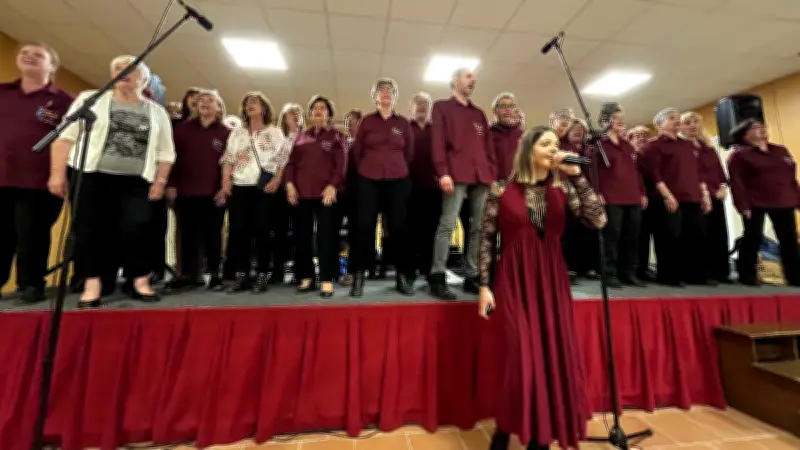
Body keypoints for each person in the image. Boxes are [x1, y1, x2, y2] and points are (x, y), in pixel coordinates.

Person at [478, 126, 606, 450]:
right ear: (528, 150)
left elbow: (598, 220)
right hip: (514, 278)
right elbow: (486, 238)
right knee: (521, 354)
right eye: (545, 143)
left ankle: (541, 433)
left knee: (550, 353)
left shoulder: (563, 188)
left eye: (556, 144)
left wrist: (577, 175)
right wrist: (484, 286)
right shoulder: (499, 188)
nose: (553, 149)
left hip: (551, 278)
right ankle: (507, 425)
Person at [48, 55, 175, 308]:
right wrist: (57, 173)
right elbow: (65, 137)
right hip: (91, 175)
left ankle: (139, 280)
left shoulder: (157, 111)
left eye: (130, 68)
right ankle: (92, 284)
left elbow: (165, 152)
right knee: (89, 229)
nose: (122, 71)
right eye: (117, 67)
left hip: (137, 181)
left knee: (137, 228)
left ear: (145, 79)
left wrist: (159, 182)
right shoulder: (90, 100)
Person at [0, 41, 73, 303]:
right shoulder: (3, 92)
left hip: (38, 181)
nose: (29, 56)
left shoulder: (64, 102)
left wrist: (59, 174)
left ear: (52, 66)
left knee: (31, 233)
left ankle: (31, 284)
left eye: (38, 54)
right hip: (2, 176)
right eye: (24, 53)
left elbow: (68, 140)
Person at [429, 68, 496, 300]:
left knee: (478, 227)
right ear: (455, 80)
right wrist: (442, 172)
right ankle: (437, 275)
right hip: (455, 175)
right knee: (448, 224)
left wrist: (492, 175)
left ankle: (472, 276)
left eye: (474, 78)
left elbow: (488, 148)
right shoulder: (441, 107)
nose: (473, 80)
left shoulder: (479, 114)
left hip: (482, 178)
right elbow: (437, 143)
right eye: (468, 77)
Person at [349, 78, 414, 297]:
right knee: (364, 226)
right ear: (375, 96)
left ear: (395, 97)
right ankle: (359, 276)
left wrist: (397, 168)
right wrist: (370, 167)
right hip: (369, 179)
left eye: (390, 90)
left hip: (398, 180)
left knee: (399, 228)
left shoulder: (403, 123)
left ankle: (401, 276)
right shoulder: (366, 122)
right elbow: (357, 152)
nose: (386, 93)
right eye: (381, 90)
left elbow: (410, 153)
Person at [220, 92, 286, 293]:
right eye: (247, 102)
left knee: (263, 231)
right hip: (240, 185)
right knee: (239, 231)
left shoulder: (274, 132)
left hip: (264, 187)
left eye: (255, 102)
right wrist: (225, 181)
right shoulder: (237, 133)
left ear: (264, 107)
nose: (250, 105)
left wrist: (277, 179)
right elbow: (228, 158)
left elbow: (283, 159)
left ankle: (262, 274)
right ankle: (241, 275)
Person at [638, 108, 712, 286]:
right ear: (659, 124)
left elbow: (698, 172)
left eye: (678, 118)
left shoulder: (687, 145)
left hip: (692, 197)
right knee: (670, 238)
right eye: (671, 118)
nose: (677, 121)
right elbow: (654, 174)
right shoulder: (652, 146)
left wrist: (705, 194)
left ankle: (695, 275)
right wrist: (668, 196)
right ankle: (669, 276)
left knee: (697, 236)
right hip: (668, 198)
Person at [165, 89, 229, 292]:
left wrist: (224, 188)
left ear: (219, 108)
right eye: (201, 100)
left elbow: (229, 164)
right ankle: (189, 275)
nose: (205, 103)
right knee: (187, 234)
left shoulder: (226, 133)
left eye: (211, 100)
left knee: (213, 235)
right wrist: (171, 184)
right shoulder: (182, 130)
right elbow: (172, 159)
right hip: (185, 191)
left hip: (213, 193)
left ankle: (215, 274)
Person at [284, 95, 345, 297]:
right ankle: (306, 276)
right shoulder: (300, 137)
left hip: (325, 193)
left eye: (323, 108)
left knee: (326, 236)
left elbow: (342, 165)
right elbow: (291, 163)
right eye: (315, 108)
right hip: (301, 193)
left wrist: (333, 186)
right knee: (301, 236)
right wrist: (290, 184)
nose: (318, 111)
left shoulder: (337, 136)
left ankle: (326, 278)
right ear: (310, 114)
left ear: (329, 113)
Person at [727, 119, 800, 286]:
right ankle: (747, 275)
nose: (762, 130)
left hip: (784, 200)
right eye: (756, 128)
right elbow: (736, 182)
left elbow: (791, 178)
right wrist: (742, 205)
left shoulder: (780, 150)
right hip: (755, 202)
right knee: (752, 237)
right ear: (745, 134)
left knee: (789, 239)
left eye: (763, 127)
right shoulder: (739, 155)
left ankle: (795, 276)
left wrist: (798, 199)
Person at [595, 104, 647, 287]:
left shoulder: (627, 145)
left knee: (632, 236)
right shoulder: (598, 144)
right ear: (607, 120)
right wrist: (597, 192)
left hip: (632, 196)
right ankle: (610, 273)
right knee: (612, 237)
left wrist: (642, 192)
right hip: (611, 197)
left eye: (622, 117)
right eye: (616, 117)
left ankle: (629, 272)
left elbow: (636, 171)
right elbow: (591, 170)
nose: (621, 121)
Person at [680, 111, 731, 283]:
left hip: (716, 194)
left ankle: (721, 272)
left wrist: (723, 188)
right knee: (700, 235)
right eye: (688, 122)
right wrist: (704, 193)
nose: (693, 125)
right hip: (696, 196)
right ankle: (703, 272)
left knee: (719, 234)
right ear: (681, 127)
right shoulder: (682, 148)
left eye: (695, 122)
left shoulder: (708, 148)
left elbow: (719, 171)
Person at [407, 92, 439, 282]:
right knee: (411, 230)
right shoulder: (405, 127)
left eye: (426, 103)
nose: (422, 106)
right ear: (411, 107)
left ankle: (428, 269)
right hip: (408, 187)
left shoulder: (437, 129)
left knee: (431, 229)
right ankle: (409, 271)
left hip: (433, 188)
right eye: (418, 103)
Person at [273, 103, 304, 285]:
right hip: (281, 189)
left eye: (298, 113)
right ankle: (277, 270)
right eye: (291, 114)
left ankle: (299, 272)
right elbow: (278, 164)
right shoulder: (280, 139)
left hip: (302, 191)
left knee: (301, 233)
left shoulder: (308, 139)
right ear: (284, 118)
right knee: (279, 232)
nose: (295, 116)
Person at [626, 125, 656, 280]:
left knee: (646, 234)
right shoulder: (629, 157)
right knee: (636, 235)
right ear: (629, 140)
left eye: (645, 136)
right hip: (634, 197)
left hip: (652, 197)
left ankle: (643, 267)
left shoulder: (649, 156)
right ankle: (635, 268)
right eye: (637, 136)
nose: (642, 139)